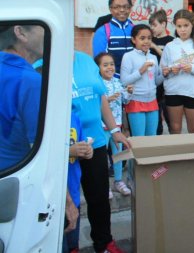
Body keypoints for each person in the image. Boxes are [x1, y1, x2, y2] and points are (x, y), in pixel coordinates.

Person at [72, 50, 130, 253]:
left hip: (94, 142)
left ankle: (104, 243)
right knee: (68, 202)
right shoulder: (41, 63)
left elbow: (101, 97)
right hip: (66, 147)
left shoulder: (86, 60)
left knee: (99, 198)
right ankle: (70, 246)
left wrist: (114, 130)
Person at [161, 9, 194, 133]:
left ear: (192, 24)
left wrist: (193, 68)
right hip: (173, 91)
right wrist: (169, 70)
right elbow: (162, 71)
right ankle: (177, 152)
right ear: (175, 26)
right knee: (175, 128)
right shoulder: (169, 46)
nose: (183, 29)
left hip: (193, 92)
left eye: (186, 25)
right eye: (179, 26)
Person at [0, 24, 44, 169]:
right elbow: (40, 152)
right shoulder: (31, 81)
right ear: (20, 32)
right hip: (17, 178)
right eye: (43, 28)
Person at [95, 52, 132, 197]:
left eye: (111, 64)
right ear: (98, 68)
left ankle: (118, 181)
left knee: (118, 155)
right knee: (102, 158)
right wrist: (107, 100)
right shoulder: (97, 84)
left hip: (118, 126)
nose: (110, 67)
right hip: (102, 127)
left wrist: (129, 92)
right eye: (105, 65)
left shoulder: (117, 82)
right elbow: (95, 105)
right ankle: (104, 185)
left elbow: (125, 102)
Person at [120, 25, 163, 137]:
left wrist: (165, 73)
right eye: (142, 38)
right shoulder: (128, 56)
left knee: (152, 137)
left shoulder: (153, 57)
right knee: (139, 138)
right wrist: (141, 70)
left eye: (149, 38)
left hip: (152, 101)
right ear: (134, 40)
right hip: (135, 102)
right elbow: (124, 82)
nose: (146, 41)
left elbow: (156, 82)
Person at [63, 112, 93, 253]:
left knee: (73, 245)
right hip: (58, 199)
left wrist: (86, 151)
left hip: (73, 194)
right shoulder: (44, 116)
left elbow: (79, 149)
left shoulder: (73, 117)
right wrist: (67, 151)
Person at [92, 0, 135, 76]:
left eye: (126, 7)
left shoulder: (135, 29)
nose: (122, 10)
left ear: (130, 9)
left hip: (135, 80)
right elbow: (99, 61)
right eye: (117, 7)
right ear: (110, 9)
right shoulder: (102, 31)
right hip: (113, 81)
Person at [149, 9, 174, 135]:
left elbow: (171, 59)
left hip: (168, 83)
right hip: (155, 83)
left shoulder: (172, 41)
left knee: (171, 119)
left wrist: (154, 47)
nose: (152, 28)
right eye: (151, 26)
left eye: (155, 25)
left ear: (163, 24)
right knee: (156, 121)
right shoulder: (150, 40)